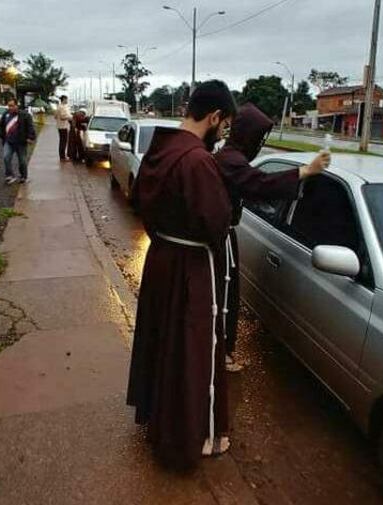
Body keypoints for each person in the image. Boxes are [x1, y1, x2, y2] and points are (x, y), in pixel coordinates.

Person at [126, 80, 237, 468]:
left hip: (161, 260)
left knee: (164, 343)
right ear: (214, 116)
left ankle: (161, 420)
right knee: (195, 351)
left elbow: (138, 200)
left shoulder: (160, 148)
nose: (223, 133)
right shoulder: (197, 160)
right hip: (191, 267)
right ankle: (195, 438)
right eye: (224, 125)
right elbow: (216, 222)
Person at [214, 103, 329, 372]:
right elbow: (259, 184)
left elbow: (253, 187)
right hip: (222, 237)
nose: (261, 142)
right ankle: (221, 354)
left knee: (227, 296)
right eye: (259, 137)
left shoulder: (231, 157)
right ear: (248, 134)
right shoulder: (231, 160)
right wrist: (305, 171)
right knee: (225, 297)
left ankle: (223, 350)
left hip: (225, 235)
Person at [0, 99, 36, 184]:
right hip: (8, 141)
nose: (10, 107)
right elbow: (2, 126)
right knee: (6, 157)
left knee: (22, 160)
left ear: (16, 105)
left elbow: (30, 127)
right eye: (9, 106)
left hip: (20, 142)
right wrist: (2, 136)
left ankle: (23, 176)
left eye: (12, 105)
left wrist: (30, 137)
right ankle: (9, 175)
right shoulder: (6, 114)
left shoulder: (25, 115)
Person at [54, 95, 72, 161]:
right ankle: (63, 157)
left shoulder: (59, 107)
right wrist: (70, 118)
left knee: (62, 141)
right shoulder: (62, 107)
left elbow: (55, 116)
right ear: (64, 99)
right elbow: (62, 117)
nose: (67, 101)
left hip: (60, 126)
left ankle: (62, 156)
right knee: (63, 142)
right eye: (66, 99)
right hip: (63, 126)